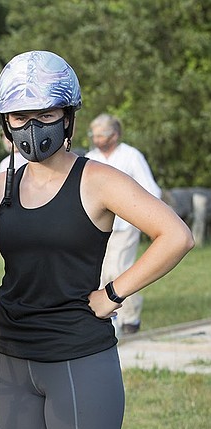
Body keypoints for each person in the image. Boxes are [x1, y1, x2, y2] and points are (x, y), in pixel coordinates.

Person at [0, 50, 193, 429]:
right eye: (20, 115)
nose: (33, 127)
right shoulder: (1, 186)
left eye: (46, 112)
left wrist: (114, 293)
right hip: (8, 358)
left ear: (68, 116)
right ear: (6, 122)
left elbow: (176, 236)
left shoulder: (99, 180)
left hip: (79, 358)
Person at [86, 113, 162, 335]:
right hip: (96, 227)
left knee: (119, 271)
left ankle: (131, 319)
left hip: (125, 225)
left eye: (102, 135)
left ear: (115, 135)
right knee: (99, 274)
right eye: (94, 135)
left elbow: (151, 189)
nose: (98, 139)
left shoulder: (131, 156)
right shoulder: (90, 158)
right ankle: (105, 321)